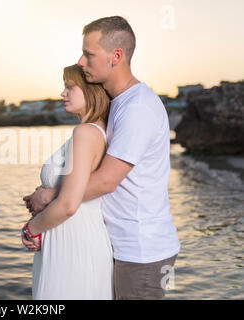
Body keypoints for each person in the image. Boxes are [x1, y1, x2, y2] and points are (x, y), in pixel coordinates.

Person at [23, 16, 180, 300]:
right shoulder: (118, 106)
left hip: (141, 252)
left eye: (89, 54)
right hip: (119, 245)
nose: (81, 62)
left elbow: (107, 180)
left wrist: (50, 198)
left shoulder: (138, 107)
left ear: (116, 56)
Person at [21, 64, 114, 299]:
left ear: (91, 90)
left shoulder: (86, 133)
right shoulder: (94, 132)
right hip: (73, 240)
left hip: (75, 246)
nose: (63, 93)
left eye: (70, 87)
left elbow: (69, 204)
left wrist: (31, 229)